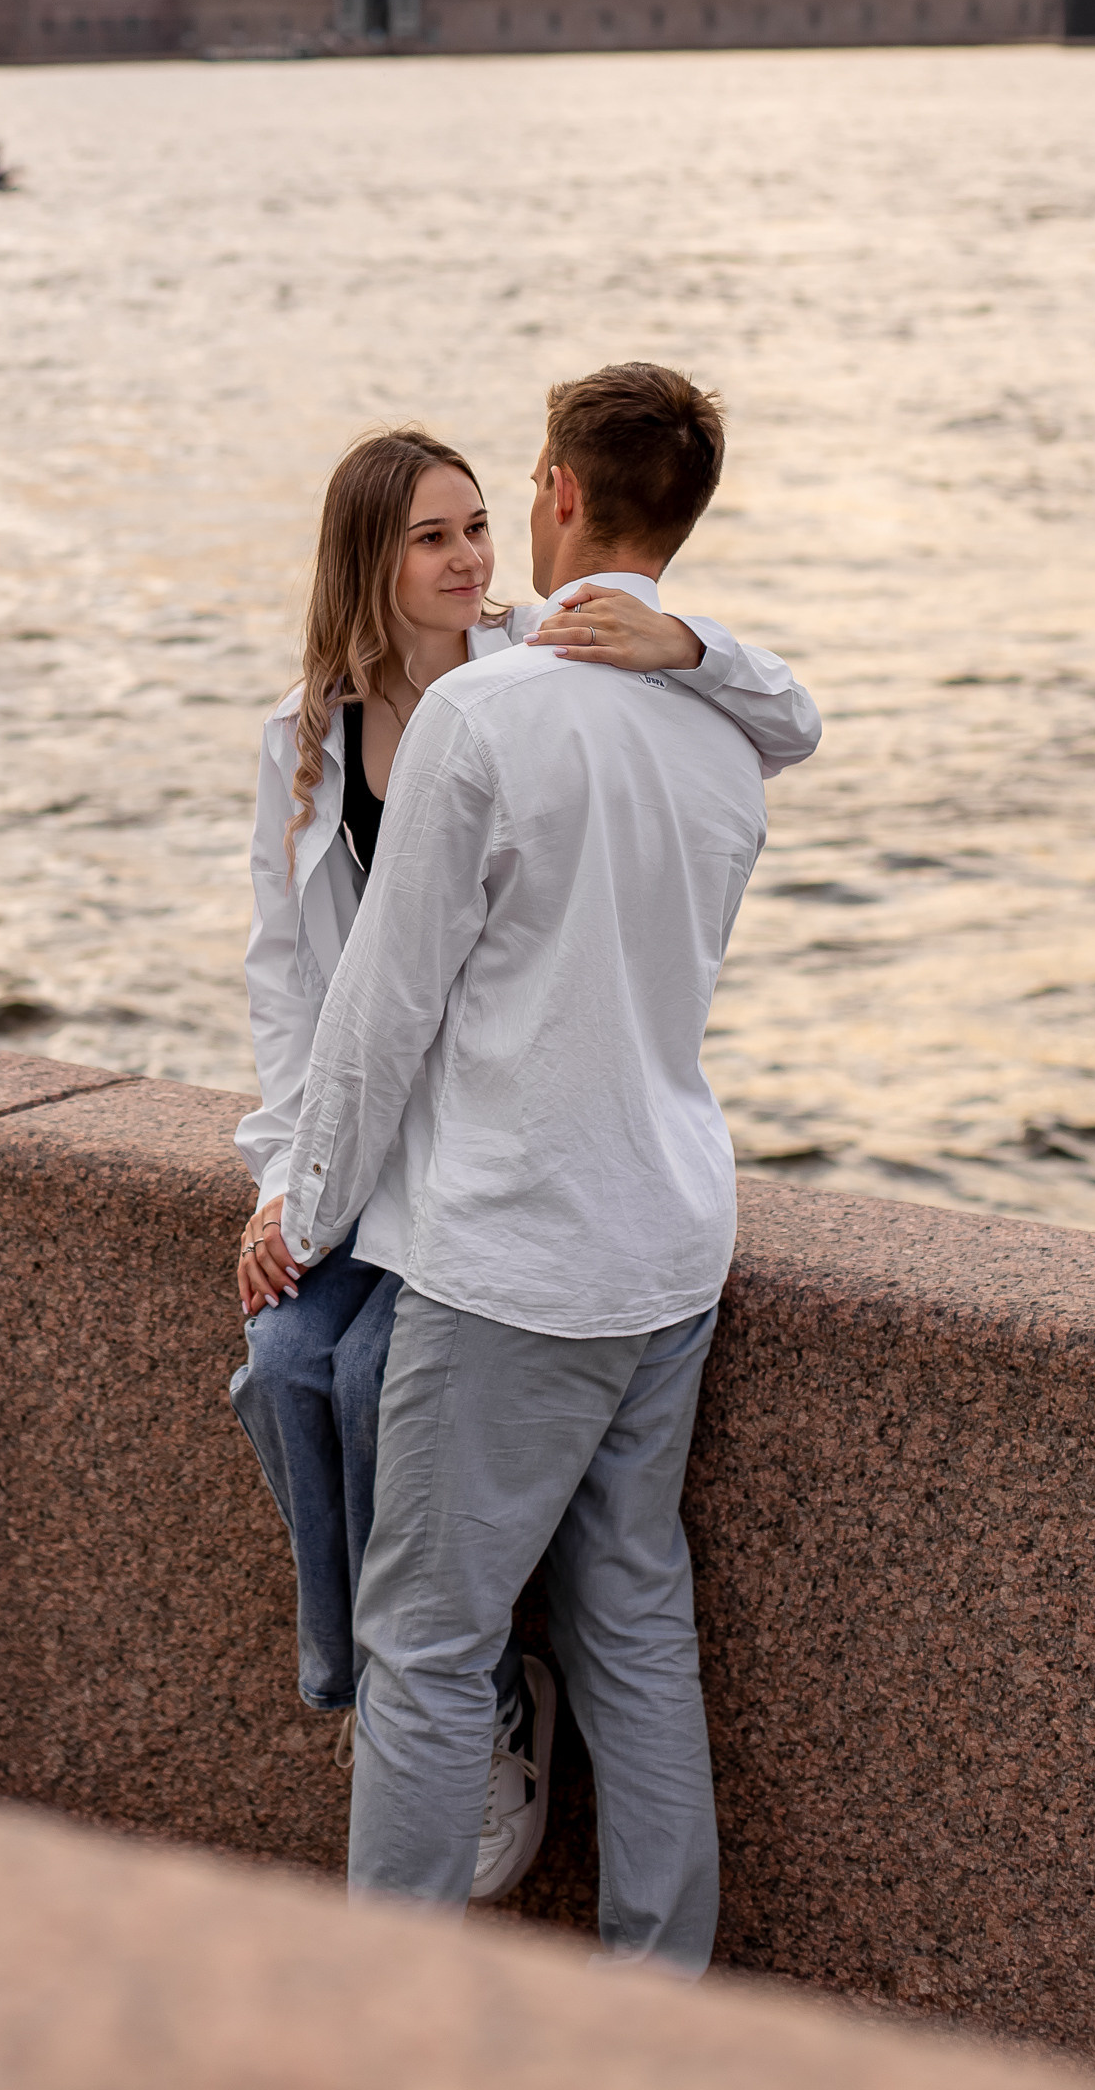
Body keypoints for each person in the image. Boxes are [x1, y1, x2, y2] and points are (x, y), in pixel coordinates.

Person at [230, 414, 818, 1913]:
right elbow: (797, 712)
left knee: (424, 1648)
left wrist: (311, 1202)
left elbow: (378, 1008)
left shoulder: (483, 718)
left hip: (515, 1253)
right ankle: (657, 1994)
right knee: (633, 1611)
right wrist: (695, 643)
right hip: (672, 1239)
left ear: (555, 493)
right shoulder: (720, 730)